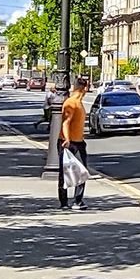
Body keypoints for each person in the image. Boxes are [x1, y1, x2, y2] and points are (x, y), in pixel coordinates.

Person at [59, 77, 90, 211]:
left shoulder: (79, 102)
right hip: (68, 142)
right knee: (65, 172)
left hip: (78, 142)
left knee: (81, 172)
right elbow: (66, 122)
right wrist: (67, 139)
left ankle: (78, 201)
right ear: (85, 88)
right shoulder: (71, 103)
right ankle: (64, 202)